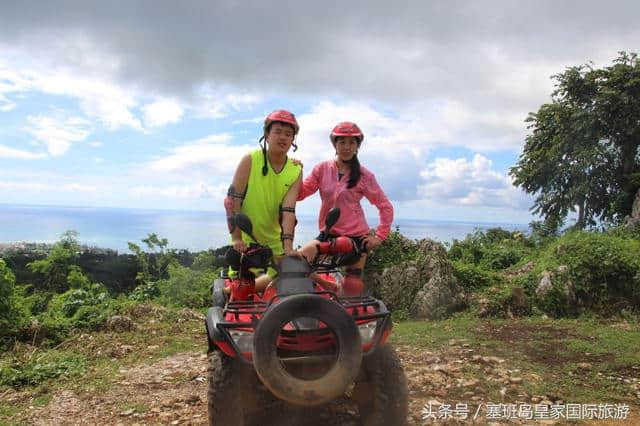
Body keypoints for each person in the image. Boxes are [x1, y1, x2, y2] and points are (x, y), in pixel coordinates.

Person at [298, 121, 393, 296]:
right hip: (329, 234)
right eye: (342, 142)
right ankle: (328, 285)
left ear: (358, 146)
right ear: (335, 144)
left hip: (356, 238)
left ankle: (345, 320)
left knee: (352, 287)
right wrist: (296, 172)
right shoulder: (322, 169)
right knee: (297, 262)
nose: (347, 147)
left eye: (352, 142)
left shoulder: (365, 176)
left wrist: (379, 237)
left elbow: (385, 206)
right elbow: (301, 193)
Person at [224, 109, 302, 294]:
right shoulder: (250, 160)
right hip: (246, 238)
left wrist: (289, 248)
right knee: (242, 289)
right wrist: (236, 238)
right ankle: (228, 291)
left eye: (288, 134)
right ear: (266, 135)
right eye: (277, 131)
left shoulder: (295, 170)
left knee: (292, 280)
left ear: (293, 140)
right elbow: (233, 200)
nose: (283, 137)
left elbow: (289, 210)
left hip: (275, 241)